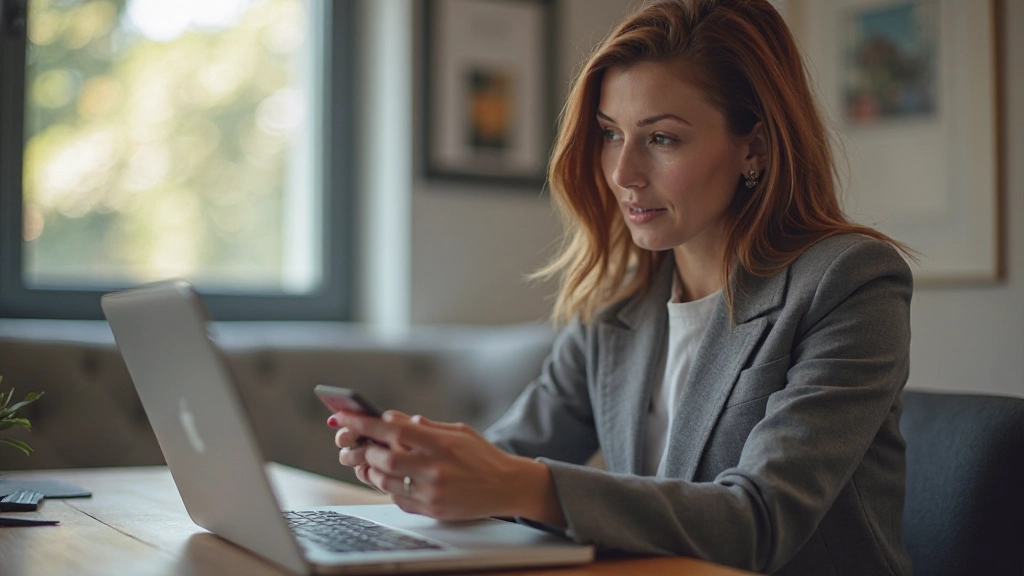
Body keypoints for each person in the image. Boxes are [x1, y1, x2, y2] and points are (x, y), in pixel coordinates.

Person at [327, 0, 914, 574]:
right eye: (610, 133)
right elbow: (512, 455)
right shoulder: (618, 305)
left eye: (662, 139)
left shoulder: (850, 281)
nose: (622, 173)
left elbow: (758, 522)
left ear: (753, 148)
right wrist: (427, 468)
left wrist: (516, 485)